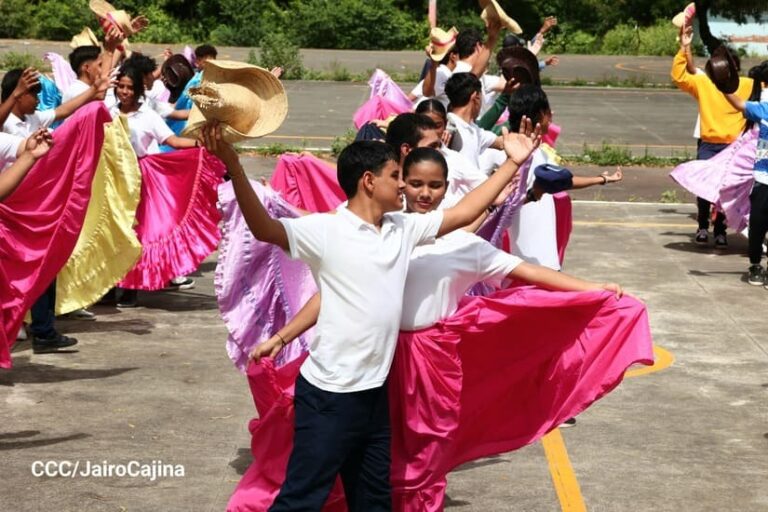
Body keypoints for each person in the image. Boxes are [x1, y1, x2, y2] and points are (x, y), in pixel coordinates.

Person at [201, 114, 540, 510]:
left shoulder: (402, 229)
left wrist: (513, 162)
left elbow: (464, 213)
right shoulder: (326, 231)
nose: (403, 185)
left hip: (374, 394)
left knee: (373, 498)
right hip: (329, 396)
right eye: (396, 176)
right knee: (302, 499)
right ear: (368, 181)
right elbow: (265, 229)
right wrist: (233, 163)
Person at [111, 64, 200, 307]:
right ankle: (108, 286)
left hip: (139, 180)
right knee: (113, 231)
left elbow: (173, 141)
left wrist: (201, 144)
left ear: (139, 90)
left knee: (135, 233)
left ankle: (130, 288)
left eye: (129, 88)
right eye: (121, 86)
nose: (124, 92)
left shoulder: (148, 116)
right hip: (112, 179)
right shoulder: (107, 112)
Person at [672, 27, 753, 247]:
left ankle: (720, 230)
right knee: (704, 189)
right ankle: (702, 226)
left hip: (734, 148)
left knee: (727, 190)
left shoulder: (747, 84)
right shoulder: (705, 83)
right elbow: (680, 76)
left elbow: (764, 82)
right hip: (709, 144)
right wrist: (683, 47)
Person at [721, 62, 768, 286]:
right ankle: (755, 264)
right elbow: (739, 104)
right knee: (758, 225)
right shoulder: (765, 109)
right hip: (764, 179)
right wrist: (723, 85)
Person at [1, 67, 107, 136]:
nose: (38, 100)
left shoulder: (33, 117)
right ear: (20, 95)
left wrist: (93, 90)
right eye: (34, 95)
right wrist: (15, 94)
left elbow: (62, 111)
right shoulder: (5, 123)